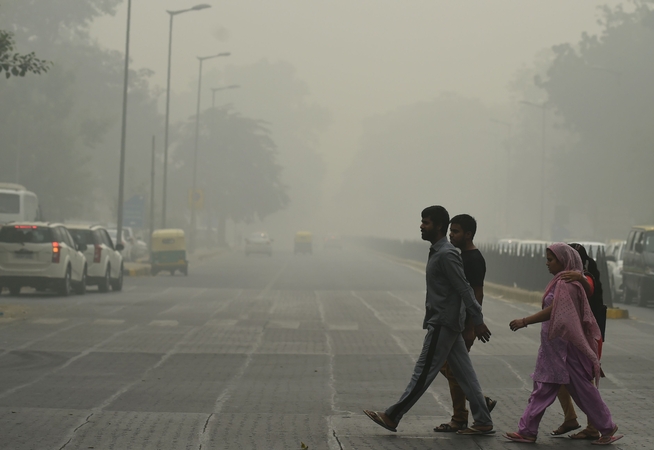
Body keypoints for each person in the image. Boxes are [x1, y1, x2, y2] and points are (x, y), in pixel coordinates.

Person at [363, 205, 494, 435]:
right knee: (465, 374)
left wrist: (477, 320)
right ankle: (483, 420)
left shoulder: (446, 254)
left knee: (423, 372)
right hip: (447, 321)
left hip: (444, 322)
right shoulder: (438, 251)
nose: (421, 226)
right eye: (422, 222)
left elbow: (465, 289)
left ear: (439, 227)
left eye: (426, 223)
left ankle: (393, 416)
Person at [504, 243, 622, 445]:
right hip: (555, 347)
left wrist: (524, 321)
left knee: (579, 389)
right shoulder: (565, 280)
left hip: (565, 348)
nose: (547, 264)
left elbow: (555, 310)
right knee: (547, 388)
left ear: (564, 260)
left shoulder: (566, 283)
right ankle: (528, 430)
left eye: (551, 260)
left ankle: (606, 427)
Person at [434, 214, 497, 432]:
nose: (451, 235)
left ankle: (460, 417)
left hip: (464, 324)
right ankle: (479, 401)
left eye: (456, 231)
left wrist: (472, 325)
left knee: (453, 370)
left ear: (468, 234)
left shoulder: (473, 259)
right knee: (447, 367)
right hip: (457, 321)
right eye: (451, 231)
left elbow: (476, 294)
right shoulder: (461, 256)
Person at [551, 243, 608, 440]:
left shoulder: (585, 277)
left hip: (588, 338)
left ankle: (594, 426)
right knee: (558, 377)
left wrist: (579, 277)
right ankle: (570, 418)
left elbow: (589, 287)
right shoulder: (567, 279)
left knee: (585, 382)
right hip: (574, 338)